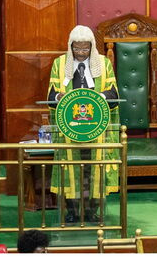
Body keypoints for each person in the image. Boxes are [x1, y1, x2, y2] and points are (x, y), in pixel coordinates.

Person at [48, 25, 120, 223]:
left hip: (97, 130)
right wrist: (60, 96)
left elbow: (114, 94)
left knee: (94, 169)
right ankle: (71, 211)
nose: (80, 53)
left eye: (85, 49)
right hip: (69, 130)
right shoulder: (60, 64)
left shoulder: (103, 64)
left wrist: (97, 97)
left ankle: (92, 211)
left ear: (92, 47)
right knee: (71, 169)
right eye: (77, 49)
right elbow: (50, 95)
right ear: (71, 46)